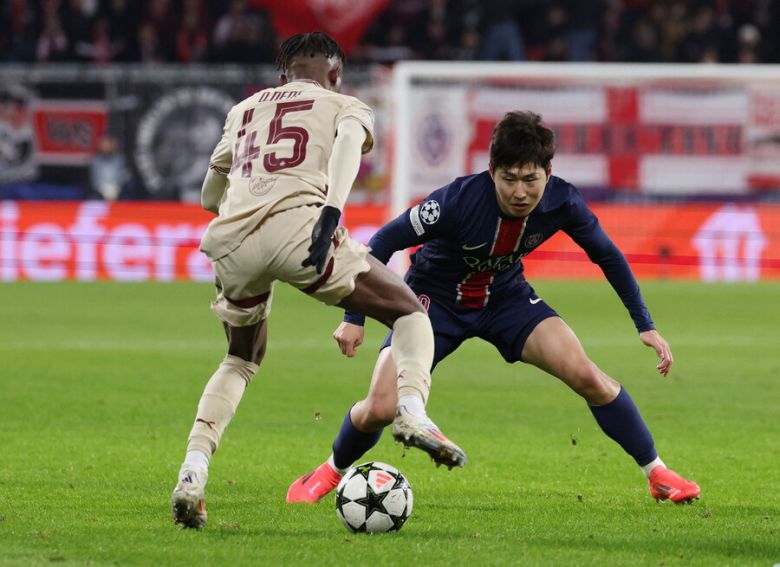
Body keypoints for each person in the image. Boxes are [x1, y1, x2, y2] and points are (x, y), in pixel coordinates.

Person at [287, 111, 701, 505]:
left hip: (506, 298)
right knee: (380, 407)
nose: (520, 192)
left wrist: (644, 324)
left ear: (548, 172)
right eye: (509, 179)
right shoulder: (455, 201)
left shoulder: (563, 202)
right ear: (491, 171)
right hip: (432, 302)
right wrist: (354, 317)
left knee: (588, 376)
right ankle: (330, 471)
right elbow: (382, 242)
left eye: (530, 179)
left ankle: (658, 473)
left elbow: (608, 256)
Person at [171, 32, 465, 530]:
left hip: (231, 241)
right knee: (410, 313)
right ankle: (412, 411)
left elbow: (208, 195)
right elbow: (348, 144)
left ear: (282, 75)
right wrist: (331, 210)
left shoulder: (242, 111)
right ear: (336, 74)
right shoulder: (344, 104)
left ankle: (192, 472)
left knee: (240, 359)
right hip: (302, 232)